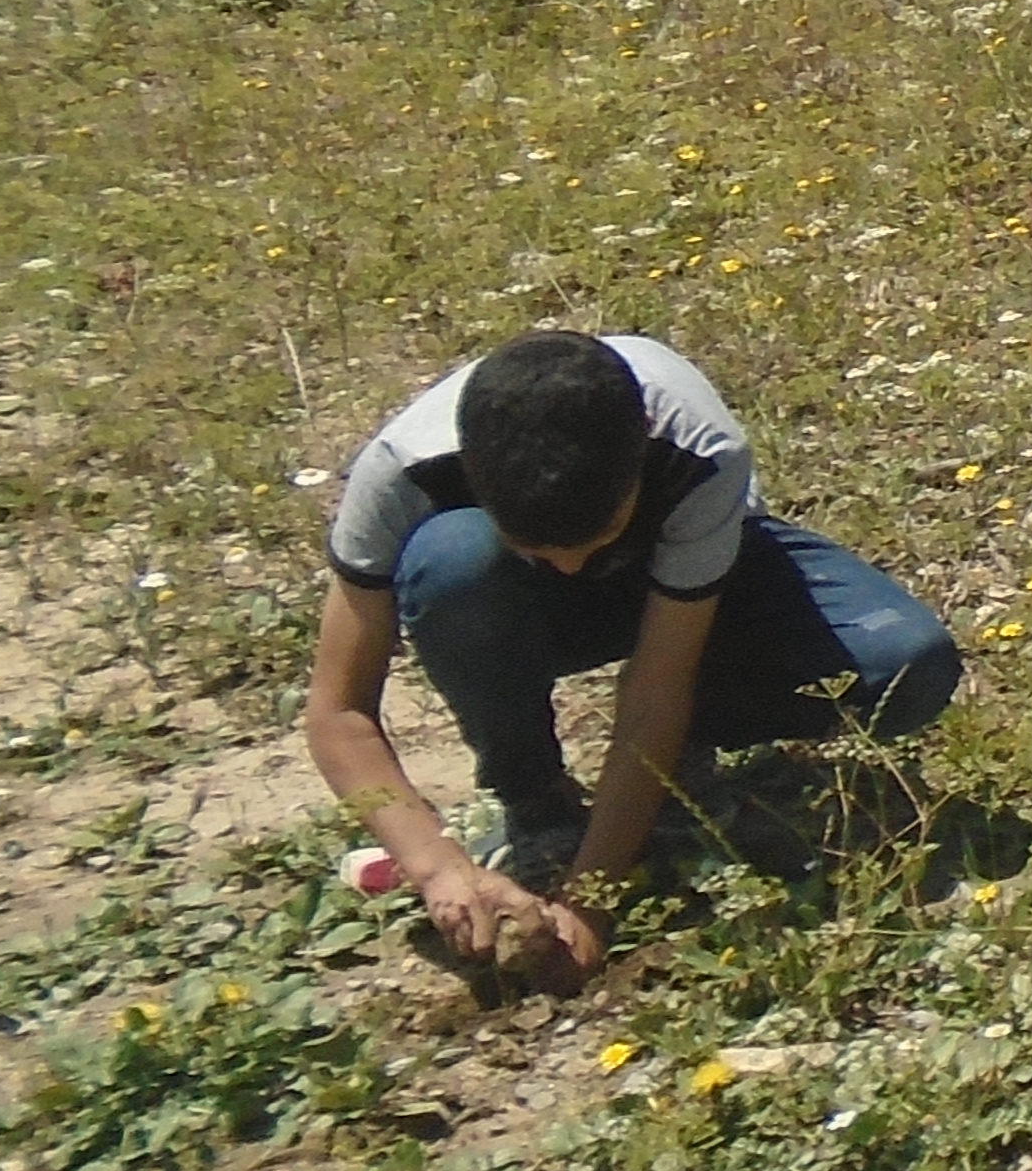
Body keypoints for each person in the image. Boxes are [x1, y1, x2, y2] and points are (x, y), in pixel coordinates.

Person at [298, 328, 962, 987]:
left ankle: (678, 786)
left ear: (640, 456)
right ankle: (534, 804)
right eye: (538, 548)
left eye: (596, 537)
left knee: (904, 662)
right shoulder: (399, 470)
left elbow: (655, 689)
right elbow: (339, 710)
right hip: (511, 608)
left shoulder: (697, 449)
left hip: (678, 589)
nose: (569, 566)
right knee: (454, 564)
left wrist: (590, 901)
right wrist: (437, 867)